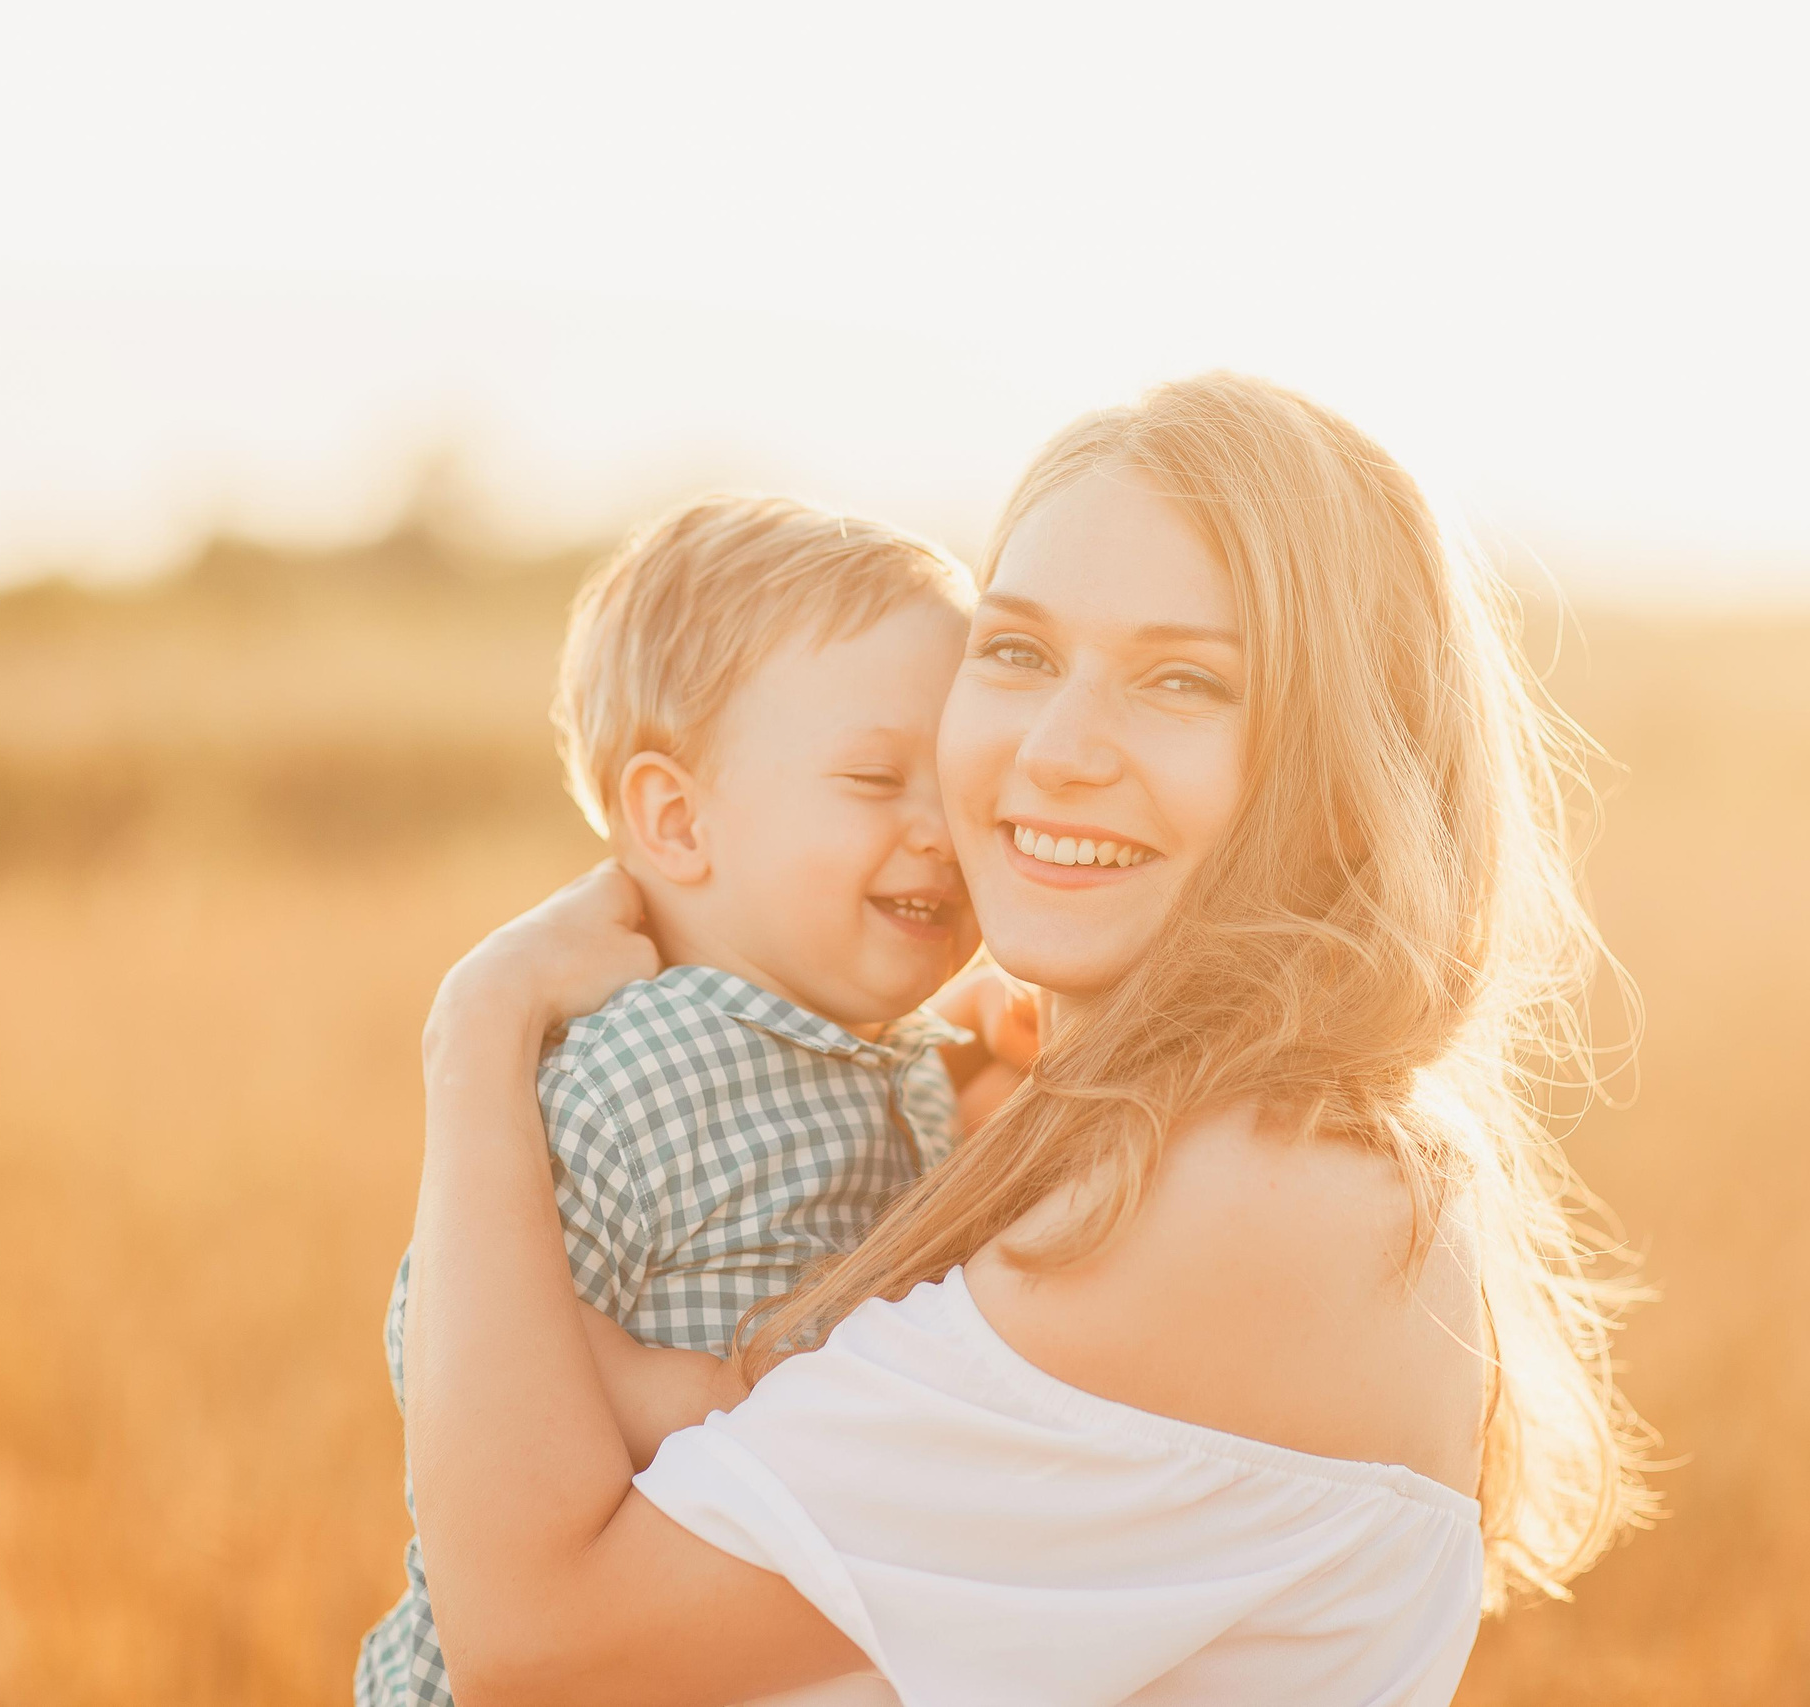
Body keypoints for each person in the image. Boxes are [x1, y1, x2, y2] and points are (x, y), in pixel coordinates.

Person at [402, 373, 1653, 1705]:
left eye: (1184, 679)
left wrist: (477, 1041)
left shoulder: (1247, 1196)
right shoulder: (1122, 1143)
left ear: (1345, 778)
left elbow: (539, 1649)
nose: (1058, 748)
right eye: (1016, 650)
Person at [356, 493, 1025, 1707]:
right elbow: (441, 1323)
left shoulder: (875, 1055)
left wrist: (983, 1065)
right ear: (677, 821)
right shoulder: (641, 1066)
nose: (941, 831)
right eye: (878, 777)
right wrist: (677, 1397)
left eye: (960, 780)